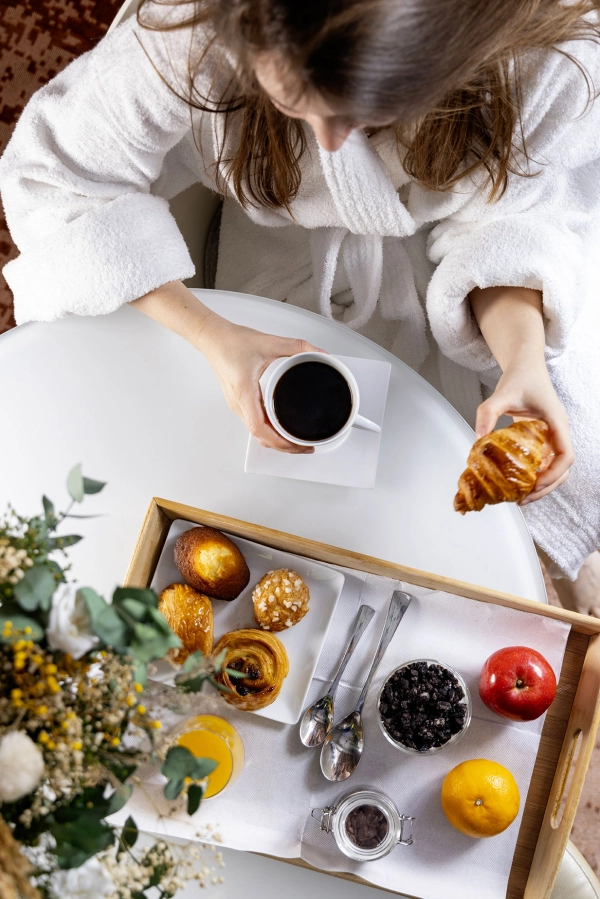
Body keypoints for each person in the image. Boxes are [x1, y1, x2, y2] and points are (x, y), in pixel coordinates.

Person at [1, 0, 599, 607]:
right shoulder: (190, 32)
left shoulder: (545, 64)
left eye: (368, 114)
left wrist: (521, 360)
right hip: (281, 248)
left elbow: (512, 221)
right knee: (256, 494)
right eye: (293, 103)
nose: (331, 140)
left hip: (463, 270)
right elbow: (57, 180)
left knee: (565, 444)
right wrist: (215, 337)